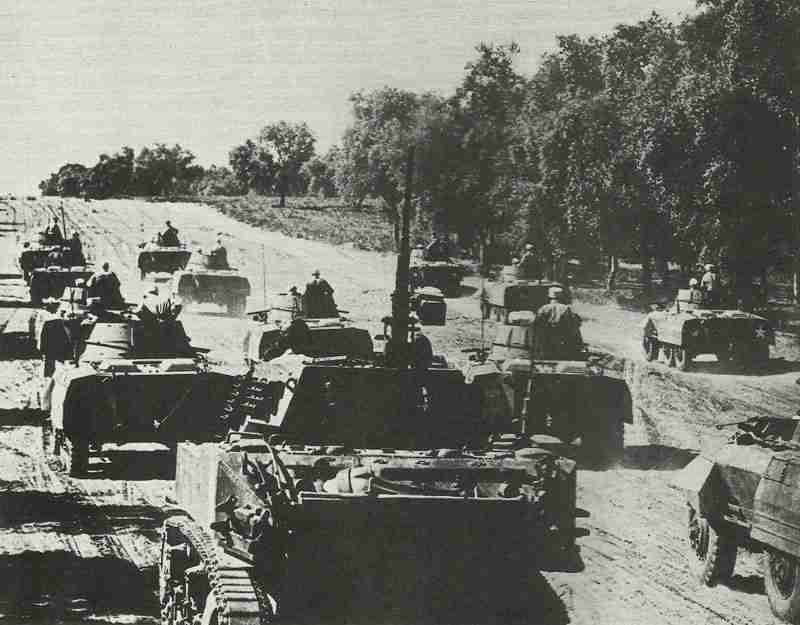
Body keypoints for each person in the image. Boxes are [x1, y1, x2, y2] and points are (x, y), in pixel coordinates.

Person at [532, 286, 583, 360]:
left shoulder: (543, 308)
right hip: (563, 339)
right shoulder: (566, 309)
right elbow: (575, 323)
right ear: (561, 297)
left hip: (546, 339)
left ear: (549, 296)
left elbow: (537, 323)